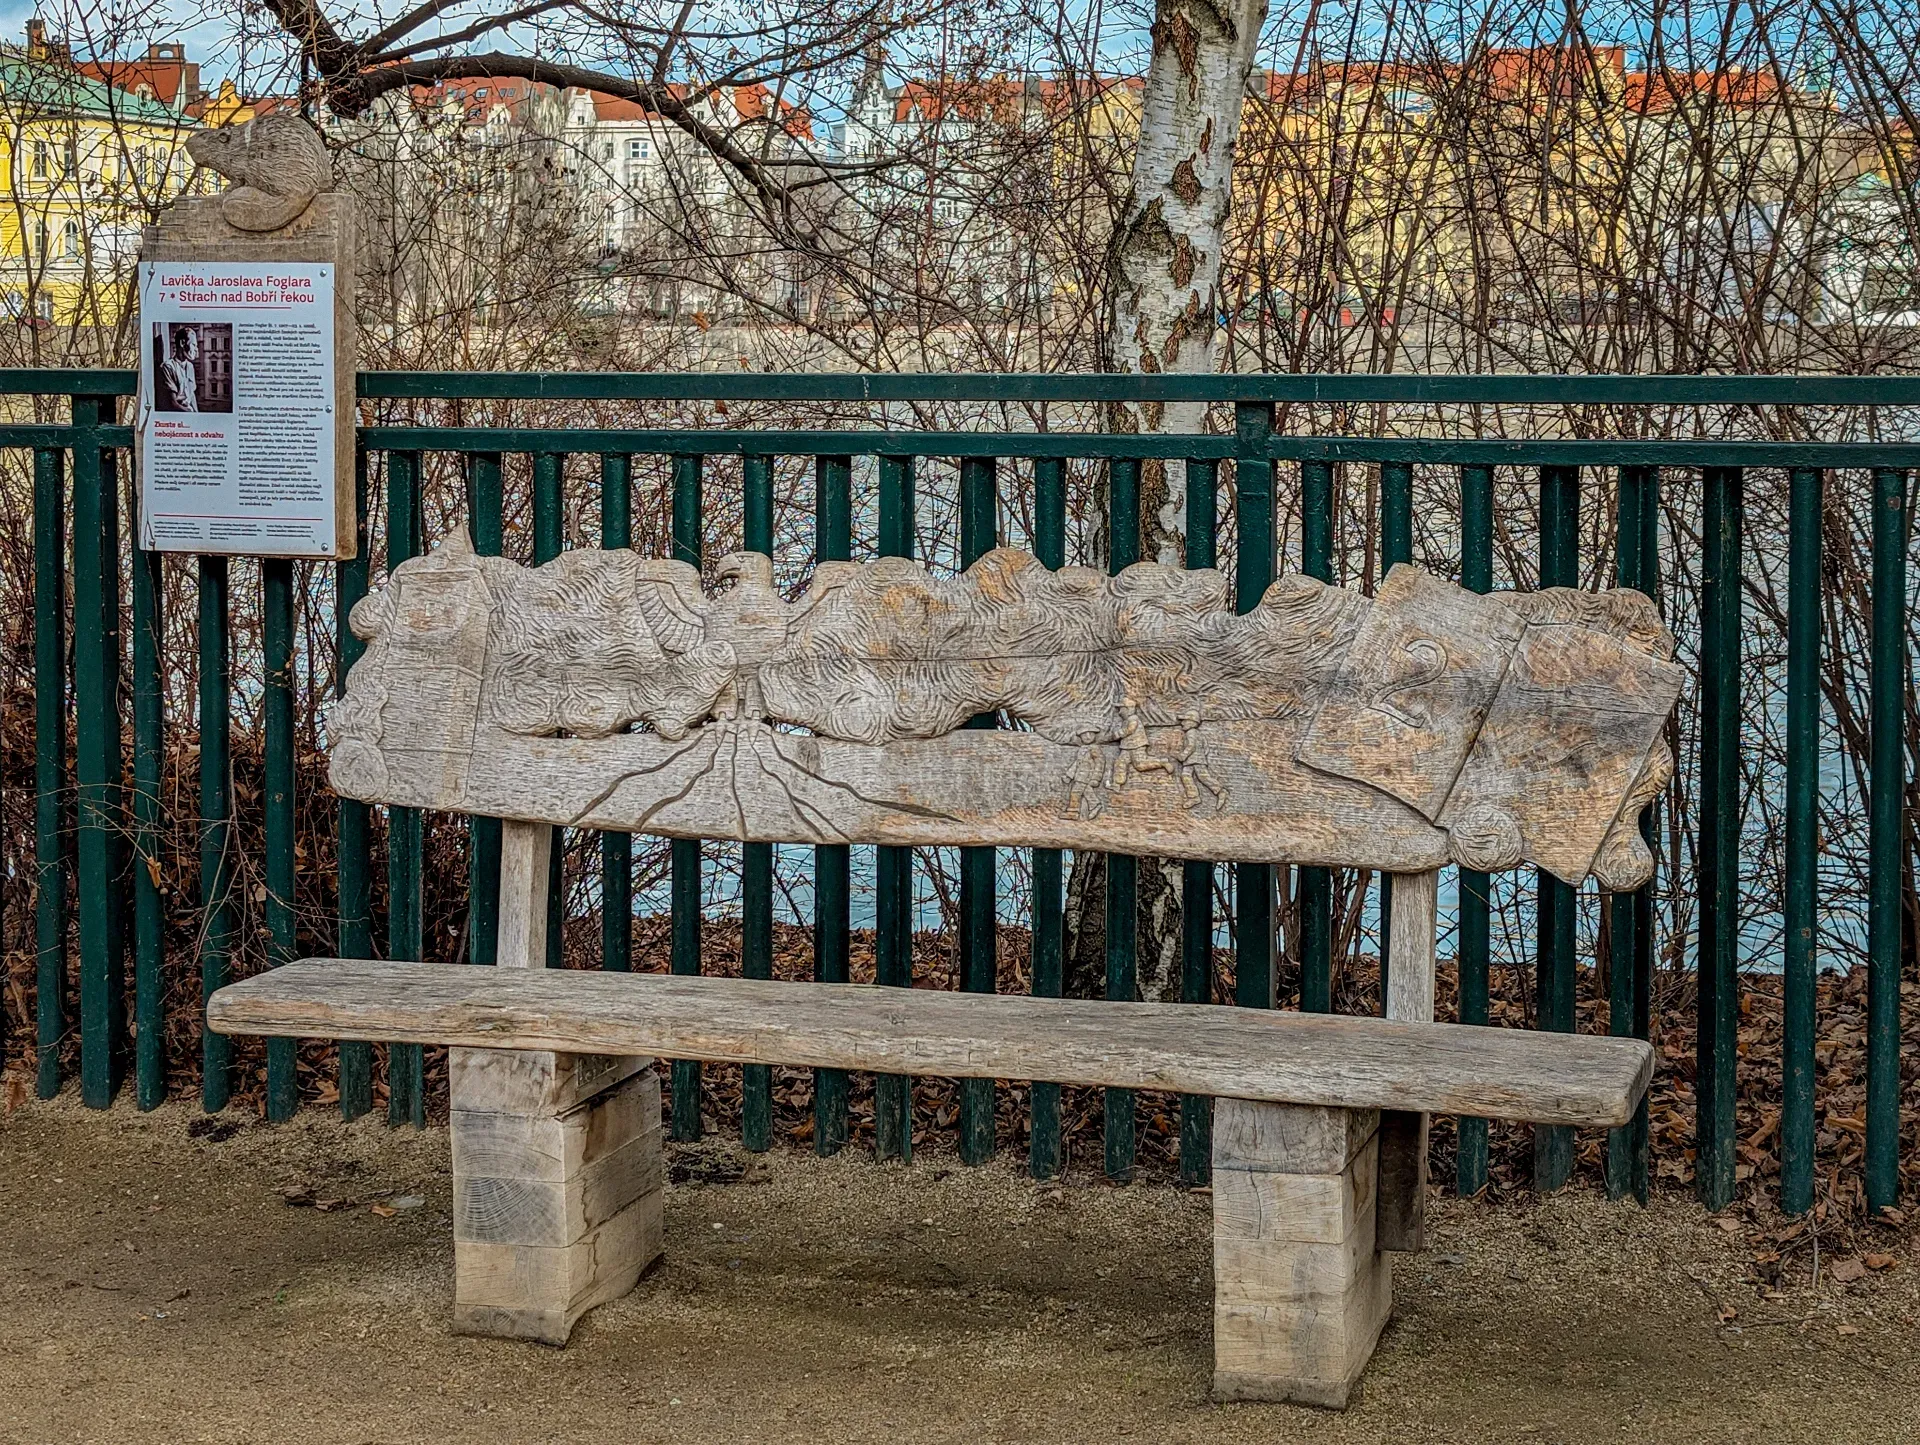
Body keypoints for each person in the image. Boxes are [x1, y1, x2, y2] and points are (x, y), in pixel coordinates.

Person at [159, 326, 198, 412]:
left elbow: (191, 395)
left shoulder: (190, 366)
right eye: (194, 345)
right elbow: (173, 403)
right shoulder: (168, 367)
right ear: (182, 343)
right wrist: (190, 413)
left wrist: (197, 415)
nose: (196, 350)